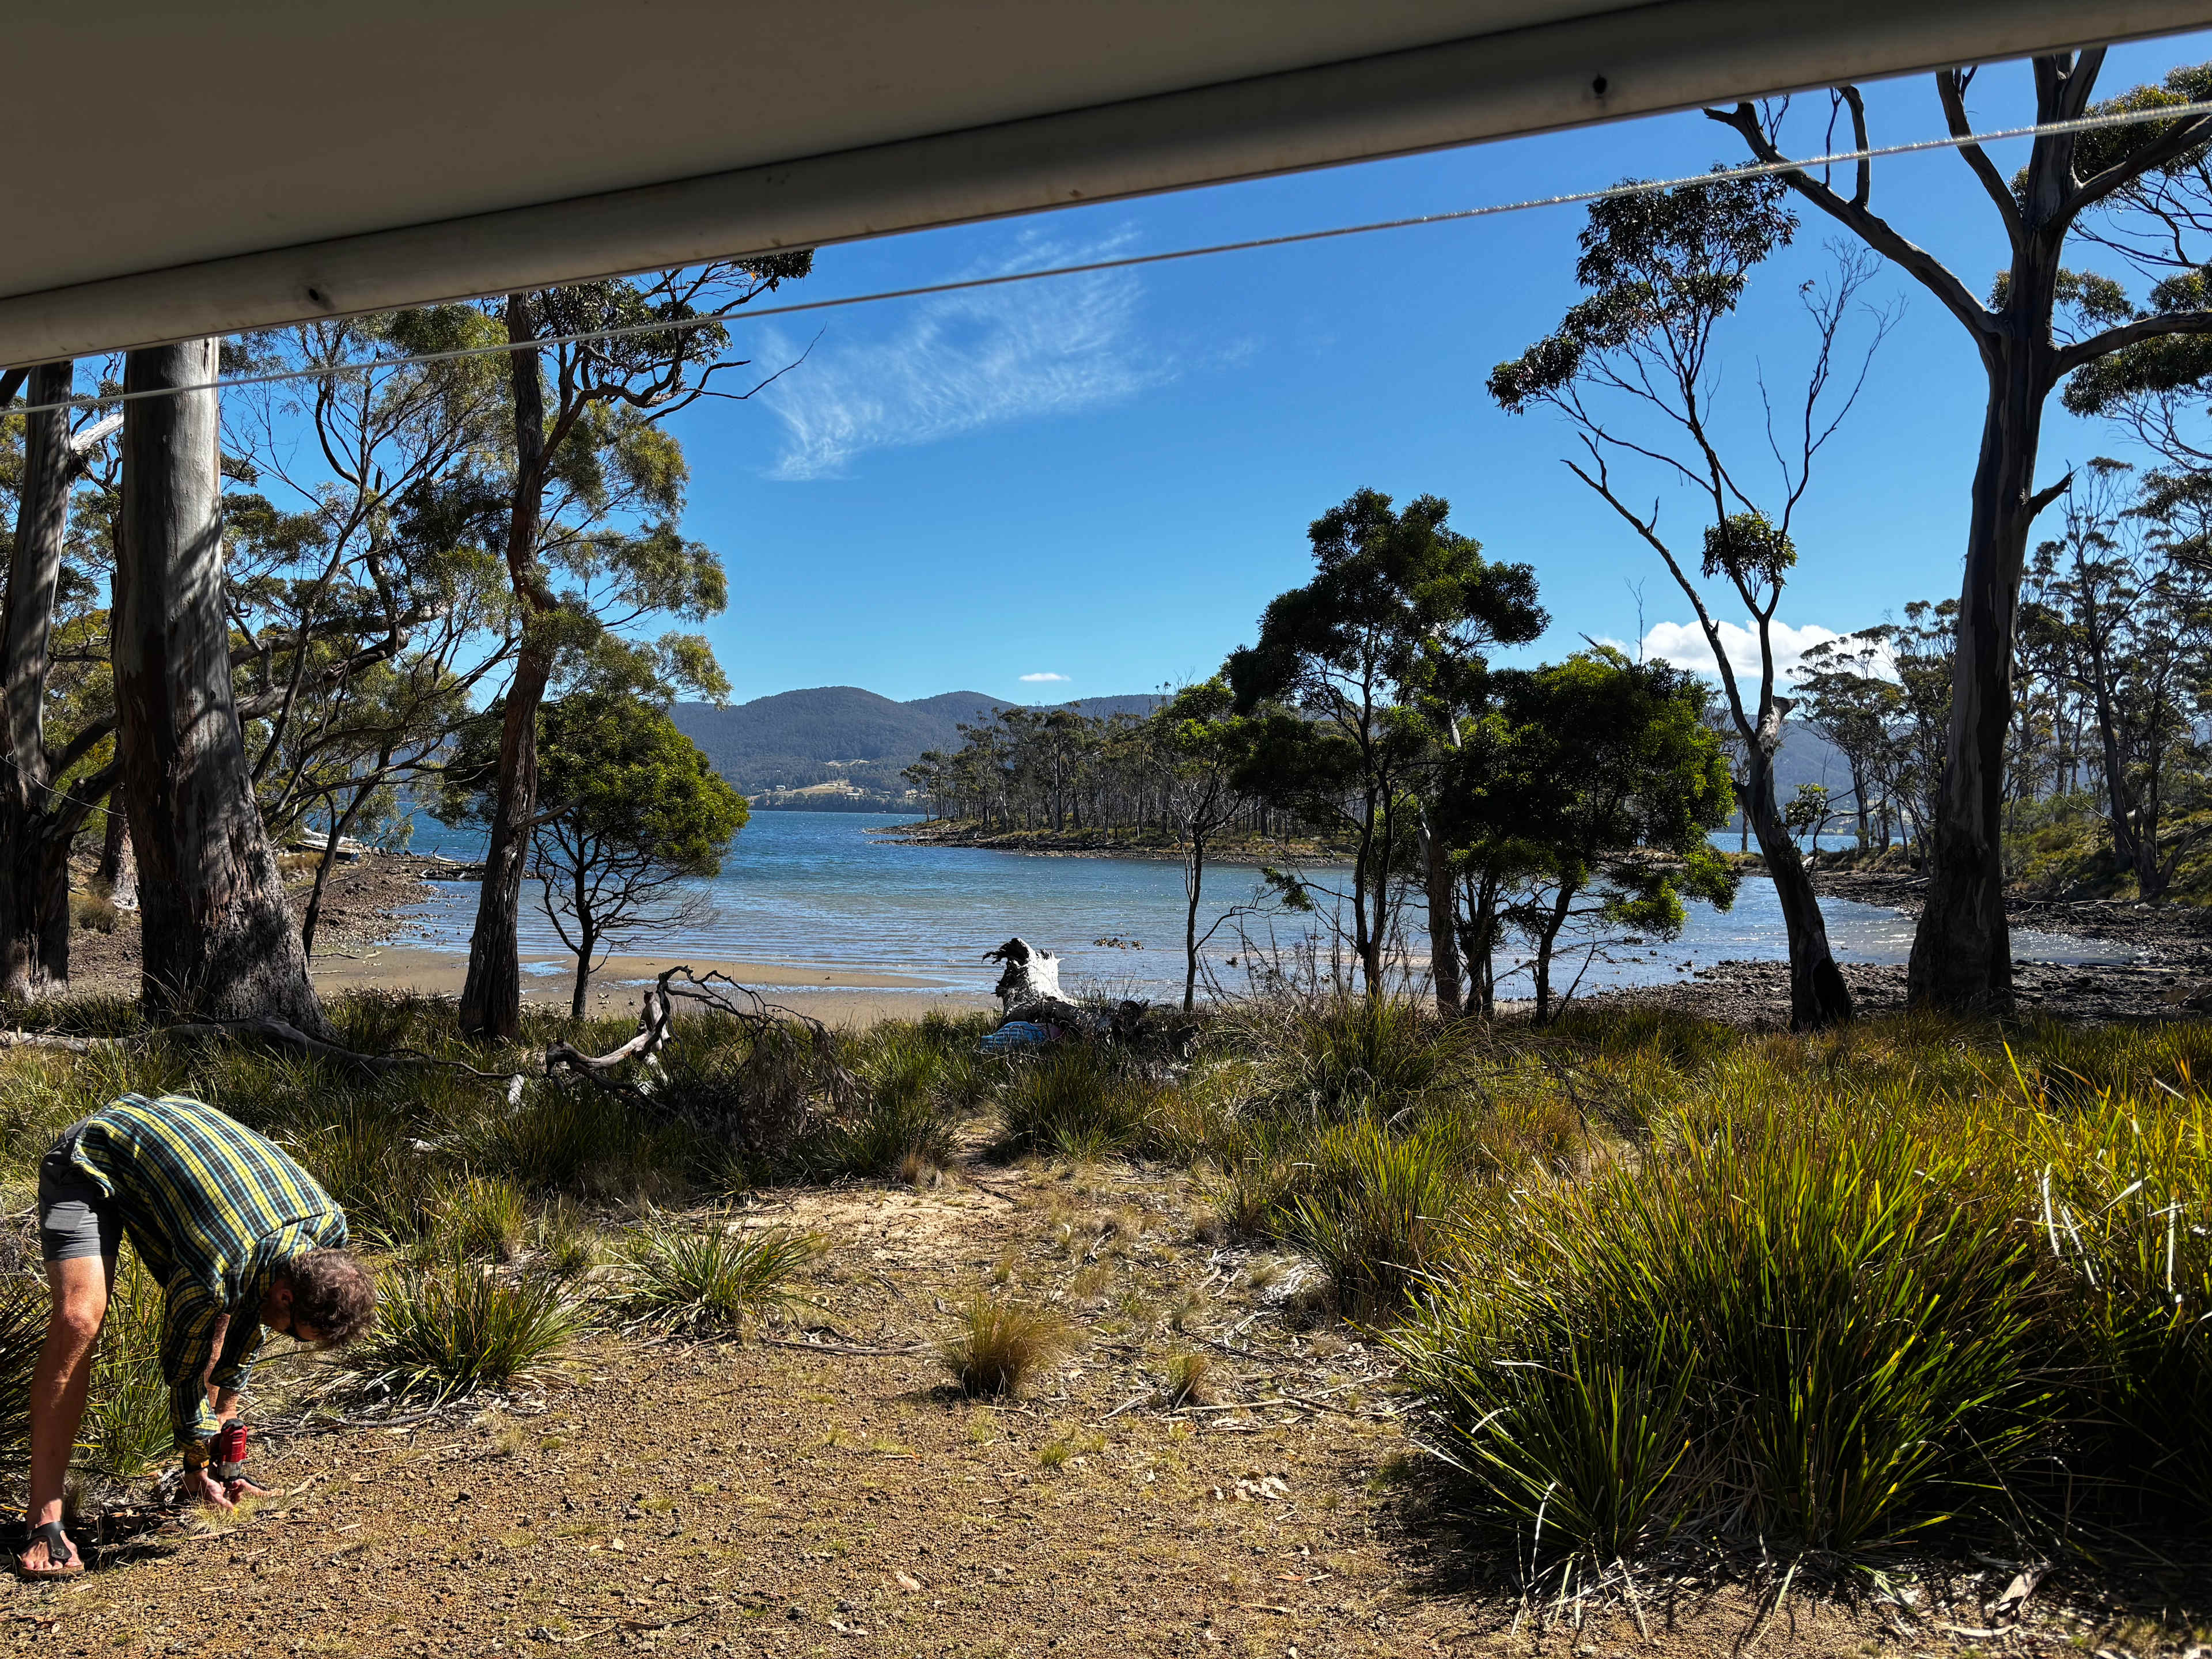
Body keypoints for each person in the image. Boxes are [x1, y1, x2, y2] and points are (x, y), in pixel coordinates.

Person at [20, 1093, 377, 1578]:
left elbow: (247, 1316)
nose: (291, 1341)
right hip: (88, 1162)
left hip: (181, 1168)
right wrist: (195, 1444)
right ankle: (45, 1518)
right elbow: (183, 1370)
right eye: (296, 1334)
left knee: (230, 1303)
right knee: (80, 1319)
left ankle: (213, 1474)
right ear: (288, 1297)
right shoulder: (220, 1267)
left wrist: (210, 1457)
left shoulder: (327, 1233)